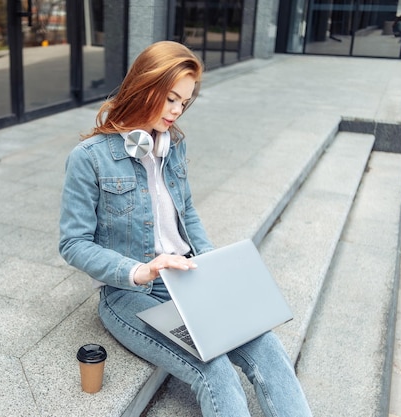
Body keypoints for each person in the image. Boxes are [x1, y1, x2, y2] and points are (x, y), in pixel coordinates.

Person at [59, 41, 313, 417]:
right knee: (215, 369)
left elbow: (187, 211)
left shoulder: (171, 145)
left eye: (184, 102)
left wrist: (215, 265)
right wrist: (142, 269)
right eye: (171, 99)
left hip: (189, 278)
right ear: (146, 87)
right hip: (130, 293)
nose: (177, 111)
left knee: (269, 349)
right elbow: (73, 243)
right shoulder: (89, 158)